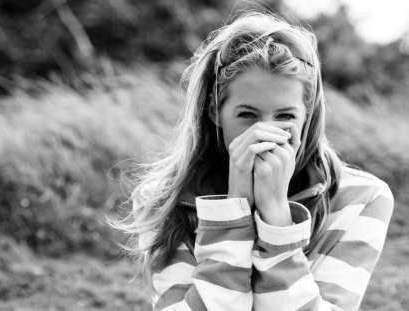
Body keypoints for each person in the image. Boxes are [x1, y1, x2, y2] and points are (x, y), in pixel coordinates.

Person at [115, 10, 394, 311]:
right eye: (247, 115)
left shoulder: (362, 198)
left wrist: (277, 218)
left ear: (308, 113)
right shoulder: (161, 198)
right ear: (214, 112)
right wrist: (231, 215)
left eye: (285, 116)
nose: (265, 133)